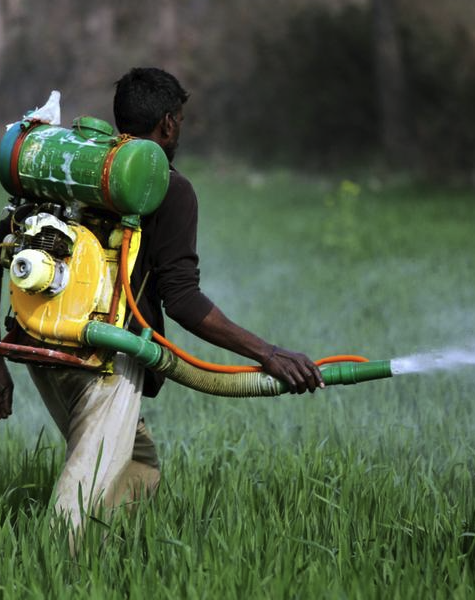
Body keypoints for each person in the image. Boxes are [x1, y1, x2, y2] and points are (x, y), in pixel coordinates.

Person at [0, 67, 324, 532]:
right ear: (168, 123)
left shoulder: (67, 172)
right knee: (80, 500)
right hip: (107, 358)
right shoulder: (167, 189)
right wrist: (267, 353)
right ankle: (51, 566)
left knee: (139, 468)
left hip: (43, 345)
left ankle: (107, 564)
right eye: (182, 121)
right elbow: (183, 299)